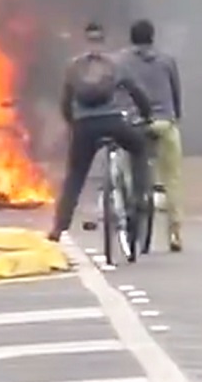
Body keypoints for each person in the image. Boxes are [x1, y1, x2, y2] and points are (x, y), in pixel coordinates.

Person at [48, 21, 152, 243]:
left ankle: (59, 227)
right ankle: (139, 198)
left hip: (84, 126)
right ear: (103, 40)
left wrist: (72, 123)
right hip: (113, 121)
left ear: (83, 40)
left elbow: (65, 102)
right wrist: (147, 115)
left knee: (75, 176)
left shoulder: (73, 66)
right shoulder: (115, 65)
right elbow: (137, 92)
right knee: (139, 147)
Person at [116, 19, 183, 251]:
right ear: (153, 37)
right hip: (164, 123)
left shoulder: (120, 61)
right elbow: (176, 95)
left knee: (127, 170)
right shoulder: (167, 61)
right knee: (172, 179)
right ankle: (175, 233)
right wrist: (174, 118)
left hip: (133, 124)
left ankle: (131, 208)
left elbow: (115, 91)